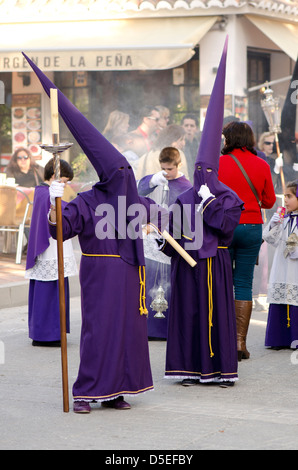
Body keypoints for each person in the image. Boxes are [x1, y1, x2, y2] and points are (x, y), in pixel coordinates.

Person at [24, 52, 168, 413]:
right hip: (101, 273)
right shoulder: (88, 200)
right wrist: (55, 205)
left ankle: (117, 389)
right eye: (119, 173)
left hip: (132, 275)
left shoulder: (135, 200)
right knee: (99, 332)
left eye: (127, 173)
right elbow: (63, 230)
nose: (125, 179)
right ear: (109, 176)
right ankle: (87, 391)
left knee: (128, 335)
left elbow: (168, 219)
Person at [164, 37, 244, 387]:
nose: (202, 177)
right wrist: (164, 234)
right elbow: (174, 237)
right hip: (187, 268)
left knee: (216, 316)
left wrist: (209, 203)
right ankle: (187, 368)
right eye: (199, 170)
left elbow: (227, 229)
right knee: (188, 316)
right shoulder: (183, 197)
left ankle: (220, 369)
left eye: (208, 171)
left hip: (217, 263)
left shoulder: (226, 196)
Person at [218, 121, 276, 361]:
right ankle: (240, 342)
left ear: (229, 139)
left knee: (222, 280)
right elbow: (270, 201)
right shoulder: (261, 164)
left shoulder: (218, 164)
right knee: (243, 282)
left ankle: (222, 339)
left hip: (225, 226)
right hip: (252, 226)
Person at [137, 147, 192, 339]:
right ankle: (150, 328)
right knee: (151, 281)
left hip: (171, 240)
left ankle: (167, 328)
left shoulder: (186, 186)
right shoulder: (157, 180)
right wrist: (152, 180)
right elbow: (137, 191)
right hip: (152, 239)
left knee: (168, 283)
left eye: (170, 169)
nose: (167, 173)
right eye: (163, 169)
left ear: (179, 165)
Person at [25, 158, 77, 346]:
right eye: (63, 181)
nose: (65, 185)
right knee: (48, 291)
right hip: (49, 248)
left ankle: (56, 331)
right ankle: (45, 334)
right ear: (54, 176)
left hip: (56, 245)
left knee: (57, 289)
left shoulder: (47, 192)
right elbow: (56, 213)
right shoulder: (43, 193)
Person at [263, 181, 298, 350]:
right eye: (285, 196)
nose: (285, 200)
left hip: (295, 268)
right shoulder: (284, 218)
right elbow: (271, 240)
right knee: (281, 298)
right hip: (282, 265)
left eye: (289, 196)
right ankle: (278, 338)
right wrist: (274, 224)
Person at [181, 114, 200, 181]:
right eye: (186, 125)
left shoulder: (200, 147)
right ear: (182, 127)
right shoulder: (178, 146)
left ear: (196, 129)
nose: (189, 128)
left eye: (192, 126)